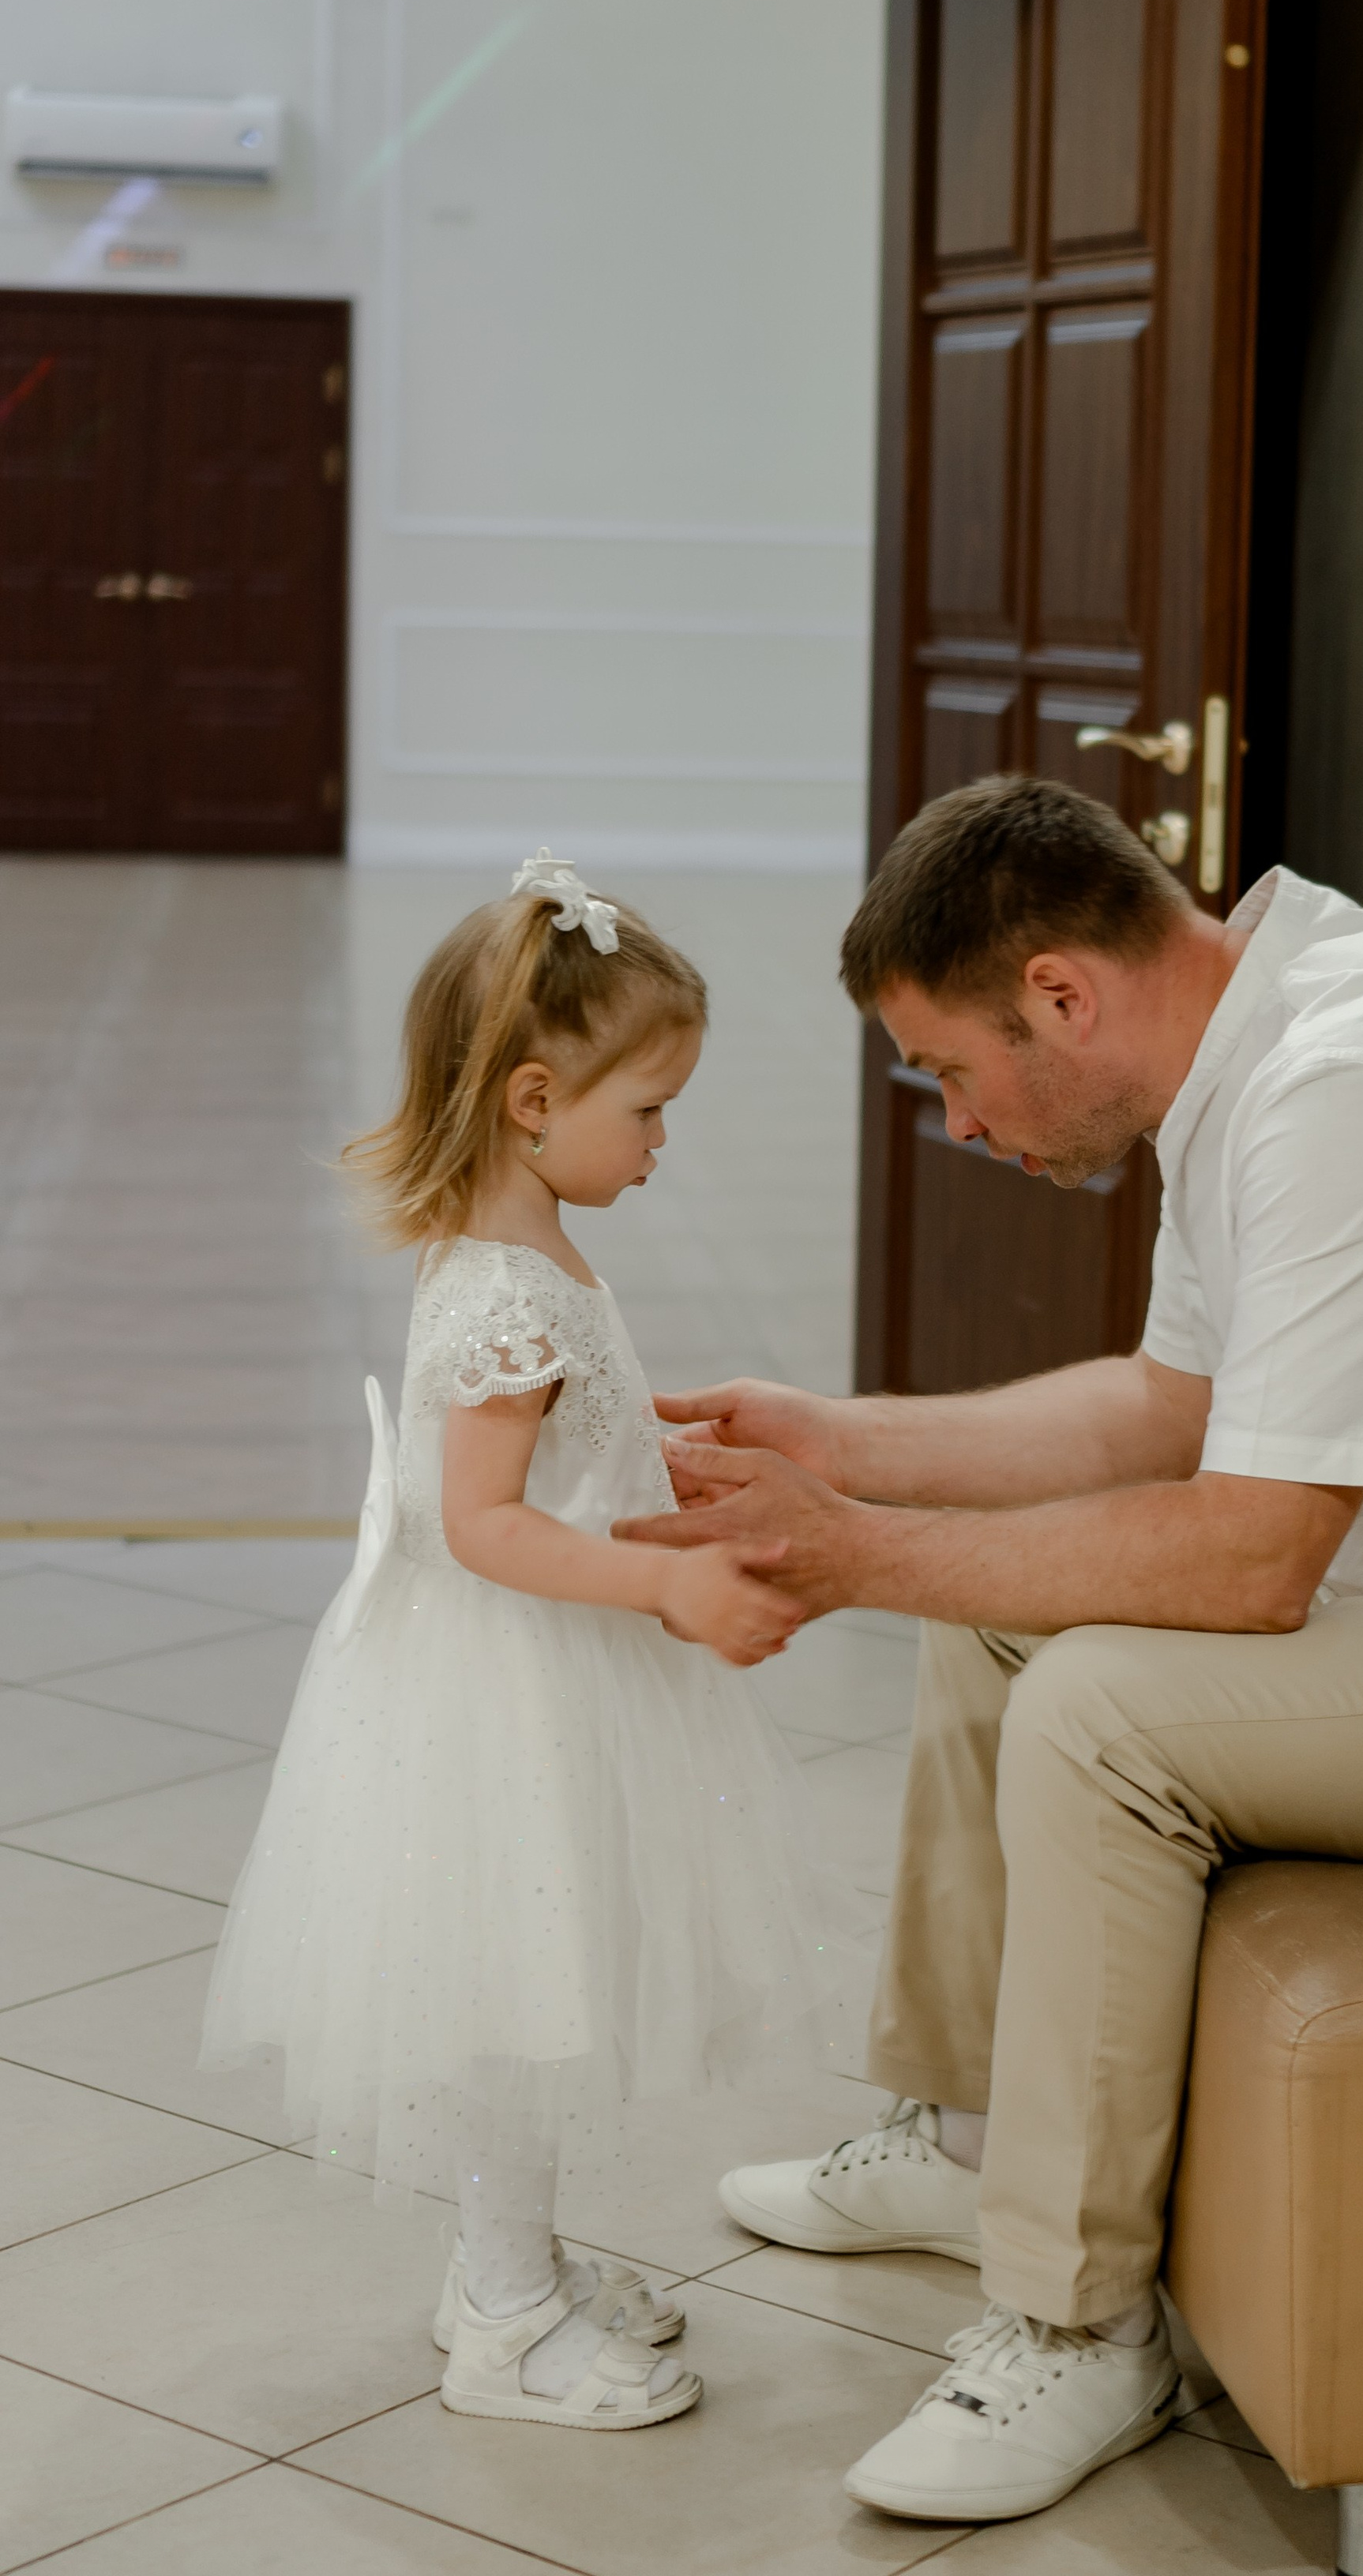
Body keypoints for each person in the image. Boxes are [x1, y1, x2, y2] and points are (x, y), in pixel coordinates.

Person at [614, 775, 1363, 2527]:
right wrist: (840, 1440)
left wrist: (861, 1554)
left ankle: (1075, 2322)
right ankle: (966, 2146)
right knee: (1006, 1609)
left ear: (1059, 993)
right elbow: (1166, 1411)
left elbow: (1258, 1558)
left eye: (952, 1072)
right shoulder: (1260, 1036)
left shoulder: (1358, 1082)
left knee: (1100, 1705)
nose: (957, 1127)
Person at [203, 851, 858, 2434]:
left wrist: (645, 1471)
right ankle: (503, 2319)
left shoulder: (519, 1253)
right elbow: (482, 1521)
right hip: (511, 1690)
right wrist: (666, 1588)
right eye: (646, 1111)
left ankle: (515, 2268)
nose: (661, 1142)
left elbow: (552, 1458)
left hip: (530, 1677)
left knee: (541, 1996)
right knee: (517, 2007)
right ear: (531, 1098)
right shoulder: (507, 1291)